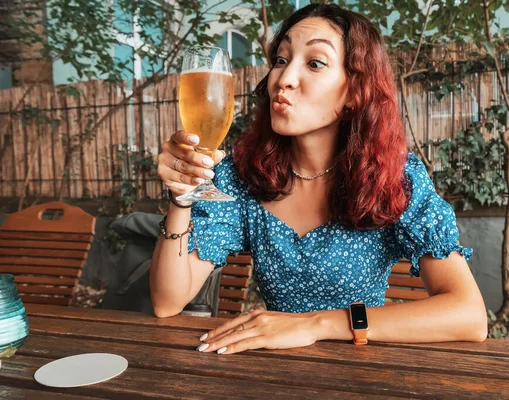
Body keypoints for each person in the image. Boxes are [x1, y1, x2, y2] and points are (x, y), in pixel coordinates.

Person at [150, 3, 487, 355]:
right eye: (281, 60)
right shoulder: (241, 174)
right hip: (275, 372)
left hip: (361, 368)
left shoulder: (396, 177)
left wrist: (316, 325)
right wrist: (181, 196)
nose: (284, 79)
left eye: (314, 63)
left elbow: (469, 315)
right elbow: (166, 302)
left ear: (354, 94)